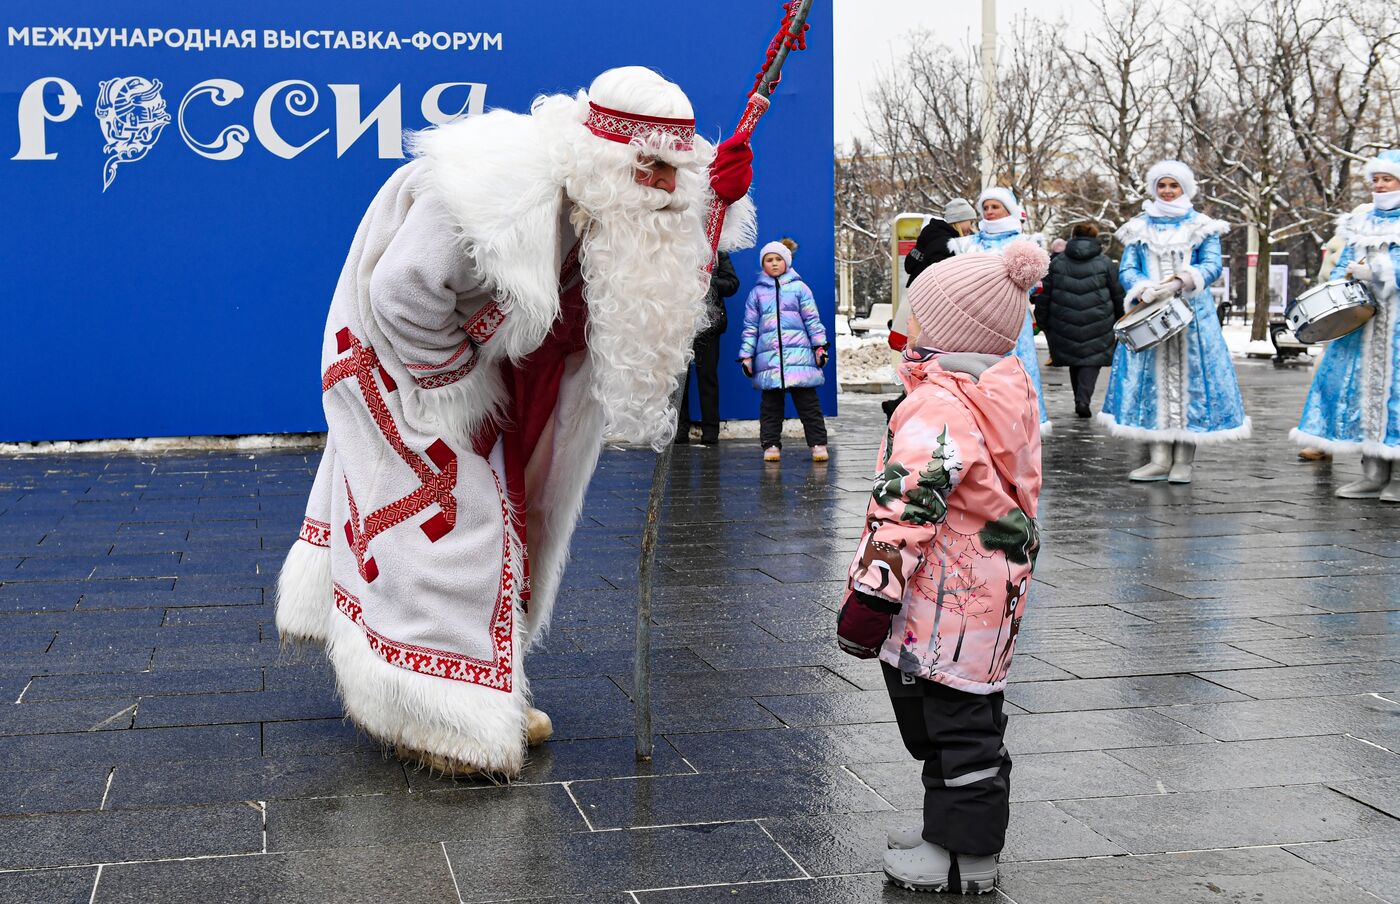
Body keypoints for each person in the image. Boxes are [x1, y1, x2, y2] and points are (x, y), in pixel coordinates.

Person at [273, 67, 755, 778]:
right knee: (444, 526)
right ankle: (432, 713)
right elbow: (403, 292)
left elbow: (657, 258)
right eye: (646, 170)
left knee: (523, 524)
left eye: (673, 174)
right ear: (604, 154)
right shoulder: (491, 185)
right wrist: (454, 390)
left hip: (528, 376)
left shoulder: (636, 199)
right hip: (415, 367)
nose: (659, 189)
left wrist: (710, 209)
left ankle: (485, 686)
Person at [836, 242, 1048, 894]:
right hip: (986, 601)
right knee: (966, 722)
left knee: (955, 732)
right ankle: (947, 837)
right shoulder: (998, 391)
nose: (911, 326)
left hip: (945, 604)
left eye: (920, 317)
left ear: (948, 331)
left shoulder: (941, 406)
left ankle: (963, 858)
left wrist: (870, 598)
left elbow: (904, 508)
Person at [1099, 161, 1249, 482]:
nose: (1167, 191)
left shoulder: (1202, 226)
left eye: (1173, 186)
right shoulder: (1139, 226)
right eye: (1162, 186)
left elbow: (1211, 266)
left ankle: (1183, 460)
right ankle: (1158, 458)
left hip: (1192, 317)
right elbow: (1127, 268)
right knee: (1152, 385)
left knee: (1190, 385)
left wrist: (1181, 281)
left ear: (1185, 188)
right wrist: (1143, 288)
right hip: (1149, 315)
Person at [1292, 150, 1400, 499]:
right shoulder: (1360, 221)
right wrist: (1340, 285)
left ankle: (1397, 478)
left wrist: (1378, 270)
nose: (1380, 185)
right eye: (1376, 179)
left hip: (1396, 323)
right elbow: (1343, 266)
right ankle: (1372, 474)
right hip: (1363, 323)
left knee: (1396, 395)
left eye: (1388, 179)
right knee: (1362, 394)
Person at [950, 188, 1051, 434]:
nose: (989, 212)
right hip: (975, 322)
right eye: (985, 208)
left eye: (995, 207)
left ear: (1008, 209)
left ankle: (1020, 432)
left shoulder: (1025, 243)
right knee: (979, 375)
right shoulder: (967, 245)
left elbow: (1034, 286)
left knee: (1017, 373)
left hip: (1014, 322)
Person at [739, 238, 830, 462]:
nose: (774, 263)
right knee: (770, 409)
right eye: (769, 260)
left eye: (778, 259)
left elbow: (813, 320)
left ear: (787, 262)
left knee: (809, 406)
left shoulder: (800, 288)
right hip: (769, 361)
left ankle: (818, 445)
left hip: (799, 359)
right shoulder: (757, 294)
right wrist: (746, 356)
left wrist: (819, 347)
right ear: (763, 265)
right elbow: (750, 328)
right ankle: (770, 446)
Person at [1035, 223, 1125, 417]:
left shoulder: (1057, 263)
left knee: (1075, 359)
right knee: (1091, 361)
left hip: (1064, 320)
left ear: (1073, 237)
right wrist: (1121, 317)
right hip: (1099, 320)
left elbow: (1044, 294)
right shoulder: (1106, 263)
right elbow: (1117, 293)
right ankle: (1083, 400)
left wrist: (1043, 320)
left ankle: (1080, 399)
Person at [676, 250, 740, 445]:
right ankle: (679, 430)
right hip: (679, 326)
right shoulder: (676, 249)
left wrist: (707, 282)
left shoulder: (718, 251)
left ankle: (711, 430)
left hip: (709, 326)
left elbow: (732, 284)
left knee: (708, 378)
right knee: (679, 381)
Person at [905, 198, 977, 286]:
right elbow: (944, 281)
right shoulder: (945, 243)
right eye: (971, 222)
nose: (971, 227)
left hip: (919, 293)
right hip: (930, 295)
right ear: (959, 220)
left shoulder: (932, 235)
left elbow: (909, 265)